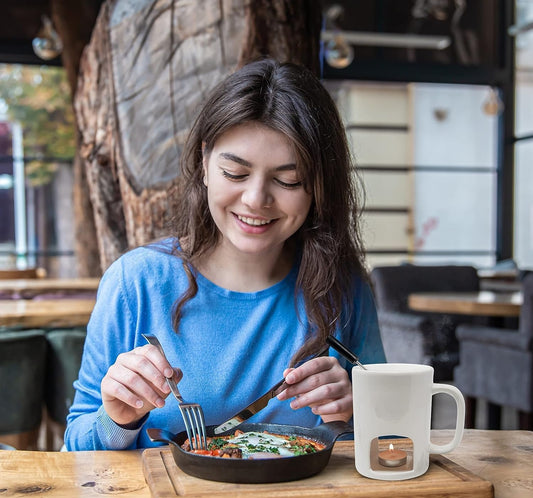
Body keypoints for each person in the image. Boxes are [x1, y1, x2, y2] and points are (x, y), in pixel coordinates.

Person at [64, 58, 386, 451]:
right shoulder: (137, 282)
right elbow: (75, 451)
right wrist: (117, 419)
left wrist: (356, 412)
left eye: (289, 180)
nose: (256, 200)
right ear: (204, 164)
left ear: (318, 186)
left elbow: (390, 441)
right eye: (235, 173)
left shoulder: (343, 286)